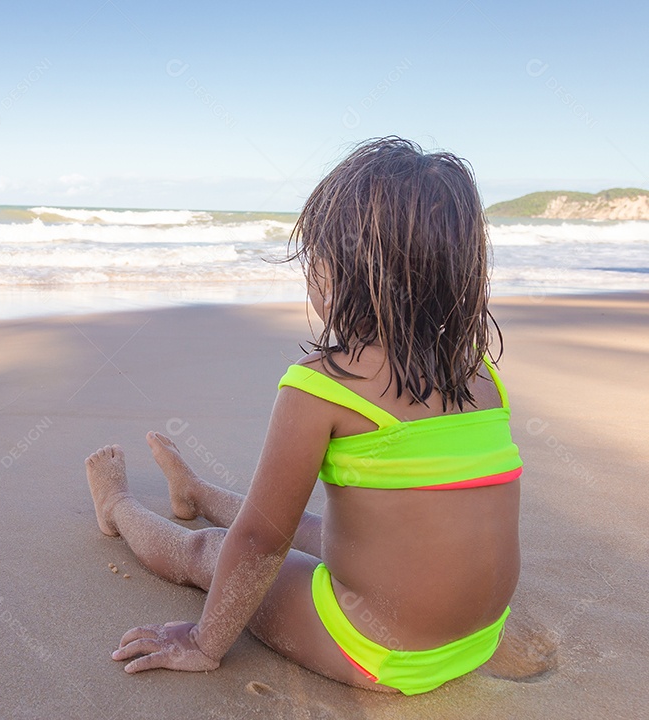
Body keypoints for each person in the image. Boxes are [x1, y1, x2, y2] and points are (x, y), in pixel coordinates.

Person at [84, 137, 542, 695]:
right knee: (318, 530)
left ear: (345, 272)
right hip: (478, 637)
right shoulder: (479, 373)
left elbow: (258, 542)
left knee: (215, 551)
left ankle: (118, 508)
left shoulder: (323, 385)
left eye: (315, 256)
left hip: (380, 652)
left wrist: (206, 642)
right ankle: (198, 496)